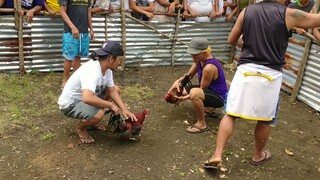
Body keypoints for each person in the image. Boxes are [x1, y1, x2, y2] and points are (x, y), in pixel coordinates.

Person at [204, 0, 320, 169]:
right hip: (270, 75)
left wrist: (246, 40)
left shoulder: (247, 11)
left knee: (230, 114)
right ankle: (258, 155)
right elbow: (316, 20)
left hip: (245, 71)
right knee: (265, 120)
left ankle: (217, 154)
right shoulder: (287, 13)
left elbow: (231, 40)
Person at [58, 41, 137, 144]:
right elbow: (87, 98)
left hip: (83, 98)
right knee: (98, 114)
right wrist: (110, 105)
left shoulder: (107, 69)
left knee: (116, 89)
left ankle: (91, 121)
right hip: (70, 104)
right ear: (111, 59)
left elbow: (112, 90)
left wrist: (124, 110)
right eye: (119, 60)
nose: (119, 63)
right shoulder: (92, 70)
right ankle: (80, 128)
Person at [168, 37, 228, 133]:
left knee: (194, 93)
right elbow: (189, 76)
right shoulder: (199, 61)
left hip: (220, 98)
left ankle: (202, 124)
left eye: (195, 54)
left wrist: (184, 98)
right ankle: (208, 110)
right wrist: (178, 82)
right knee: (183, 89)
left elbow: (202, 89)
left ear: (204, 52)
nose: (193, 56)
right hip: (210, 92)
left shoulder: (209, 68)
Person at [59, 0, 94, 89]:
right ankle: (65, 79)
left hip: (83, 31)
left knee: (78, 56)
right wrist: (72, 27)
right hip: (70, 31)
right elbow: (62, 11)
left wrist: (91, 28)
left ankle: (76, 80)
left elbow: (88, 12)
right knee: (69, 57)